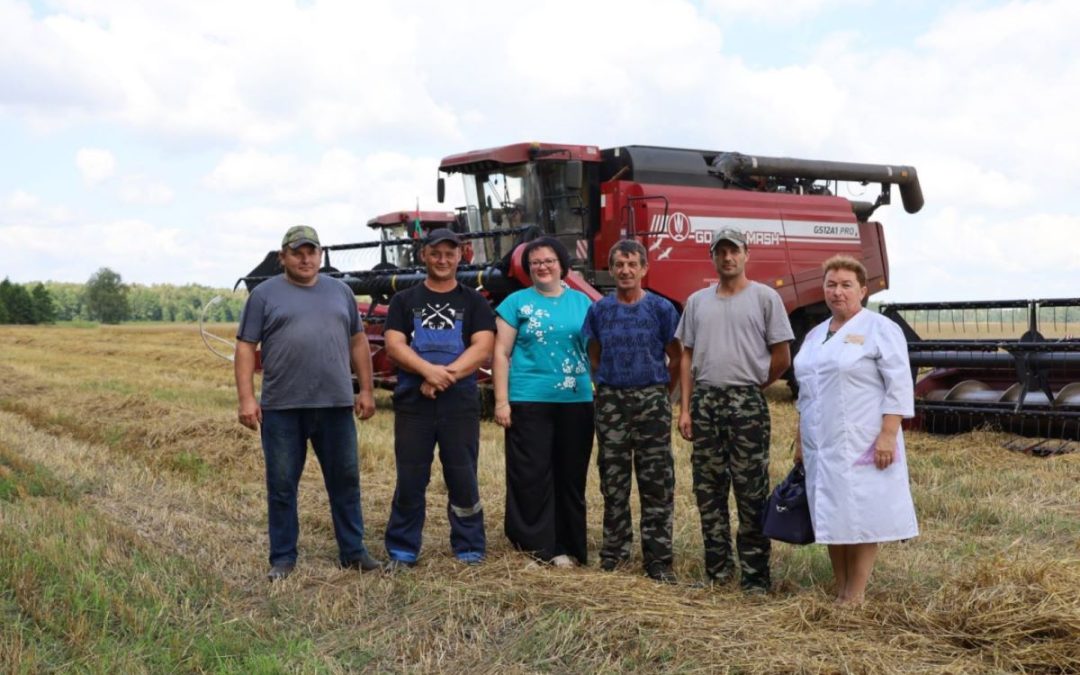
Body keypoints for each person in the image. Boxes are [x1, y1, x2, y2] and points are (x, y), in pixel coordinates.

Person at [235, 225, 382, 581]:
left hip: (334, 405)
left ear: (320, 255)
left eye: (311, 252)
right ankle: (283, 558)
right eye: (297, 252)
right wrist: (246, 399)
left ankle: (353, 551)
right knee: (283, 483)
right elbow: (244, 347)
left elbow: (358, 341)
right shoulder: (264, 295)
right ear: (282, 256)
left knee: (345, 480)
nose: (305, 258)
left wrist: (366, 390)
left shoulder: (340, 292)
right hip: (283, 407)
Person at [792, 254, 918, 605]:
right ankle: (841, 588)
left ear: (862, 290)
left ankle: (856, 593)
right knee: (832, 513)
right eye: (831, 285)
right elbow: (805, 390)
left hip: (864, 439)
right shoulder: (816, 335)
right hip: (822, 441)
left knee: (862, 513)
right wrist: (800, 438)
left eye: (846, 285)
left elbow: (898, 385)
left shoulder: (879, 329)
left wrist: (888, 434)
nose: (838, 292)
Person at [677, 228, 793, 593]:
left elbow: (782, 357)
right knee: (708, 490)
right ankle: (718, 571)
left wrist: (755, 385)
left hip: (746, 404)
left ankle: (755, 577)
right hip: (705, 401)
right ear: (712, 257)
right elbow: (687, 355)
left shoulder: (764, 298)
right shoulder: (697, 301)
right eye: (721, 252)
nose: (728, 258)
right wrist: (685, 407)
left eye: (734, 251)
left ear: (746, 255)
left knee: (750, 489)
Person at [383, 228, 495, 570]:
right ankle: (402, 550)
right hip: (414, 403)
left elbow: (483, 346)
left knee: (463, 475)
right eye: (436, 253)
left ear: (461, 256)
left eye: (450, 253)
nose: (443, 260)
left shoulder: (474, 301)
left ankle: (469, 547)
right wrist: (428, 372)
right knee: (411, 476)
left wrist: (444, 377)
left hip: (458, 403)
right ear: (423, 256)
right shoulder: (404, 300)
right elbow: (394, 345)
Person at [583, 239, 681, 583]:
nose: (625, 270)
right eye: (619, 265)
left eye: (632, 264)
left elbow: (678, 355)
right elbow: (594, 352)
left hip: (652, 401)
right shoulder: (600, 310)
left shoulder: (662, 309)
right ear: (611, 270)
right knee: (614, 480)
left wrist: (660, 392)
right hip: (611, 403)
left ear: (644, 269)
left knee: (657, 483)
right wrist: (608, 383)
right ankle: (614, 554)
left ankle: (658, 561)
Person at [492, 237, 594, 567]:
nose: (542, 267)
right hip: (528, 399)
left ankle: (569, 546)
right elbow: (501, 353)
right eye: (535, 262)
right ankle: (534, 547)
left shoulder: (584, 304)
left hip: (576, 401)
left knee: (570, 474)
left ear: (562, 265)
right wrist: (501, 401)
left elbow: (598, 351)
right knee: (531, 474)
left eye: (549, 260)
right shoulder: (515, 303)